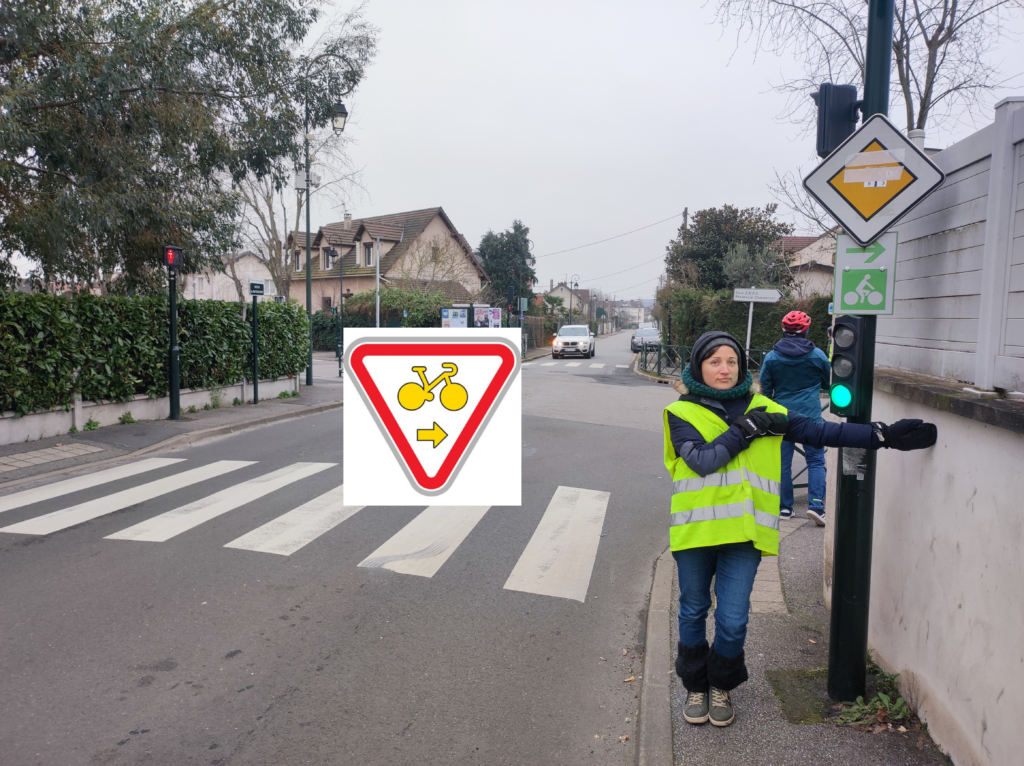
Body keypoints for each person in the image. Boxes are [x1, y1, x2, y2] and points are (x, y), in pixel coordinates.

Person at [664, 331, 936, 728]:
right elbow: (703, 461)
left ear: (742, 365)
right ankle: (695, 684)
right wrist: (746, 429)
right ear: (698, 367)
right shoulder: (681, 413)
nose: (724, 370)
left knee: (734, 619)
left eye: (731, 361)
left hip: (744, 535)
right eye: (714, 362)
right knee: (693, 610)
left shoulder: (766, 407)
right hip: (695, 535)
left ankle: (721, 684)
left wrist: (883, 435)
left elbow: (821, 432)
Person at [757, 311, 831, 525]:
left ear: (784, 331)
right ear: (806, 330)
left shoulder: (771, 358)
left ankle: (785, 508)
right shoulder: (817, 355)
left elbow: (765, 390)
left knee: (782, 464)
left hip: (782, 417)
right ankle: (816, 506)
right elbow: (828, 382)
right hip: (811, 417)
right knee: (816, 461)